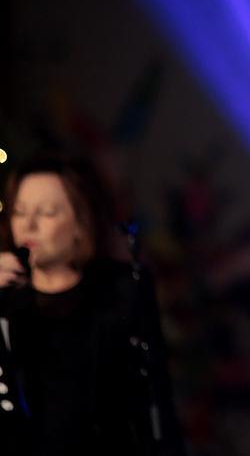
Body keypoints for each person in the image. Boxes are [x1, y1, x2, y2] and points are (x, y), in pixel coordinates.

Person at [0, 153, 184, 456]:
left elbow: (155, 401)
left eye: (47, 212)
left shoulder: (119, 292)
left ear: (79, 223)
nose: (28, 225)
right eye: (19, 212)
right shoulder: (9, 304)